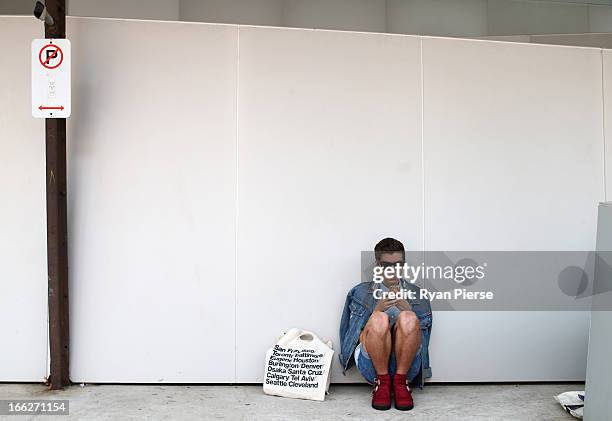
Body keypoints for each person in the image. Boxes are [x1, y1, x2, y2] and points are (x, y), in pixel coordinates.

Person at [339, 238, 432, 411]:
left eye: (398, 265)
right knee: (379, 319)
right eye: (387, 266)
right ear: (378, 266)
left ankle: (400, 382)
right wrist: (377, 310)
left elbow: (423, 339)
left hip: (406, 367)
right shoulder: (360, 293)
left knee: (409, 317)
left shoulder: (418, 295)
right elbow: (350, 333)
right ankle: (381, 382)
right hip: (371, 367)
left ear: (403, 265)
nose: (393, 271)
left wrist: (409, 309)